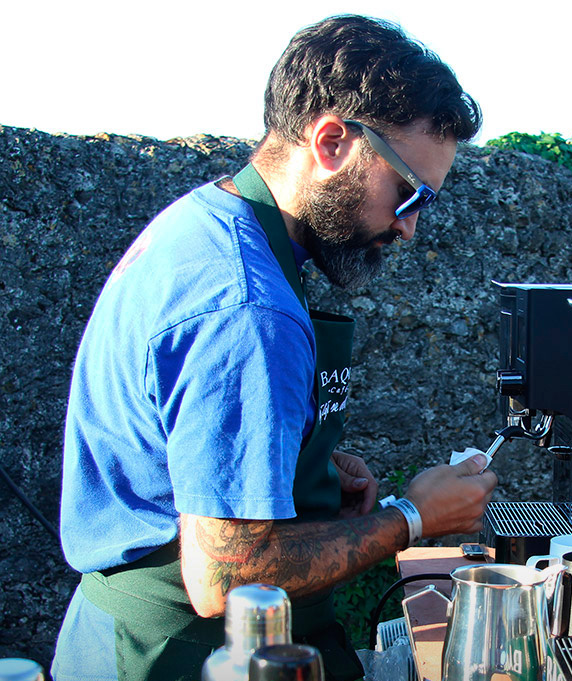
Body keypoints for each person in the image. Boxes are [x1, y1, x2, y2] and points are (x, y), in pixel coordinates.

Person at [51, 14, 497, 681]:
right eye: (408, 193)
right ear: (331, 141)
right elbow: (228, 575)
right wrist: (413, 515)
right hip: (182, 656)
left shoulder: (205, 224)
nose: (408, 229)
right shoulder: (249, 305)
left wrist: (297, 465)